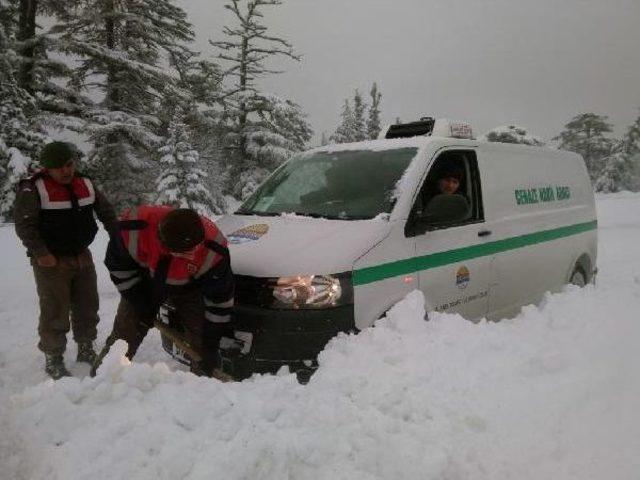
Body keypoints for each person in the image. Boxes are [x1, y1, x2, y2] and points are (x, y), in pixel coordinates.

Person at [14, 141, 117, 380]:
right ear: (47, 168)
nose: (66, 171)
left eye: (69, 164)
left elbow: (107, 213)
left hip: (82, 255)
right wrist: (41, 253)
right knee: (54, 309)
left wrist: (118, 238)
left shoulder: (86, 183)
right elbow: (24, 225)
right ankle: (53, 356)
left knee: (87, 305)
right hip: (51, 260)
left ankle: (86, 347)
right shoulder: (33, 189)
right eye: (59, 167)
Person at [93, 205, 235, 376]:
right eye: (185, 252)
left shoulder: (214, 248)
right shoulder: (134, 228)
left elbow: (220, 301)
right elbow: (119, 269)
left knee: (203, 342)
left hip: (190, 289)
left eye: (196, 248)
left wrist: (210, 345)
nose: (193, 256)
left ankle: (206, 387)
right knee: (124, 335)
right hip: (143, 282)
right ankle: (101, 380)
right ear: (164, 245)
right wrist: (139, 302)